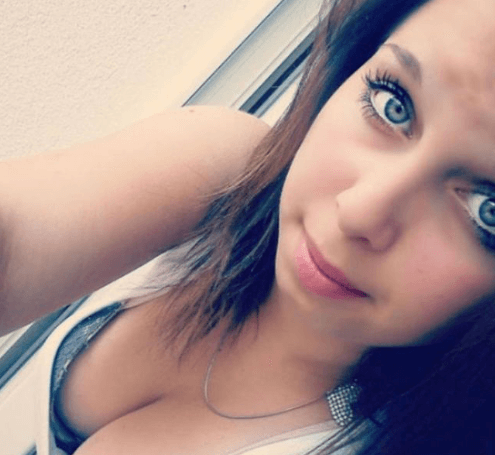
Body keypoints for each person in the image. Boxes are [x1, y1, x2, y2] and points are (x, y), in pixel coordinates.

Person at [2, 0, 495, 453]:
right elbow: (17, 235)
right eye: (393, 104)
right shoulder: (229, 175)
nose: (358, 212)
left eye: (486, 208)